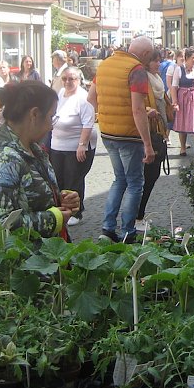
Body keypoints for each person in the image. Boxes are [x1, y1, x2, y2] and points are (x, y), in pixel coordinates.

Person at [0, 80, 80, 238]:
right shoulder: (0, 161)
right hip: (26, 254)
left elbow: (34, 200)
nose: (51, 126)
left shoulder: (33, 149)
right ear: (34, 114)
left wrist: (61, 200)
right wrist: (53, 219)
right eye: (51, 117)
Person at [87, 36, 156, 243]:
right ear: (145, 54)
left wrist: (104, 116)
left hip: (108, 133)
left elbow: (91, 98)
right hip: (129, 135)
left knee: (119, 179)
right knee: (135, 183)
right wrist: (148, 144)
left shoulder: (105, 65)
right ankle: (128, 231)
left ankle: (108, 228)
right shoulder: (136, 69)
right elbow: (137, 109)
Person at [49, 66, 97, 227]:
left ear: (79, 80)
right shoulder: (60, 93)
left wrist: (82, 145)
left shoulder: (83, 97)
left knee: (73, 179)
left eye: (72, 79)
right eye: (64, 79)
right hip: (57, 144)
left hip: (76, 146)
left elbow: (88, 123)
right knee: (58, 179)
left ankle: (76, 211)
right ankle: (61, 209)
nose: (67, 82)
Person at [137, 49, 170, 231]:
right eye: (154, 61)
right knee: (147, 176)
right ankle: (137, 216)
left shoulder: (157, 80)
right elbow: (136, 104)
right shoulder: (144, 79)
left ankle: (138, 214)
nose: (158, 64)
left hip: (159, 132)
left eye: (159, 60)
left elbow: (163, 101)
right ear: (146, 62)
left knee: (152, 175)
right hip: (148, 132)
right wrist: (148, 110)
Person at [170, 48, 194, 158]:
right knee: (182, 122)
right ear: (186, 58)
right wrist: (175, 102)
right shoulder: (179, 69)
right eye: (193, 58)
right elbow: (174, 87)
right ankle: (182, 148)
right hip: (183, 99)